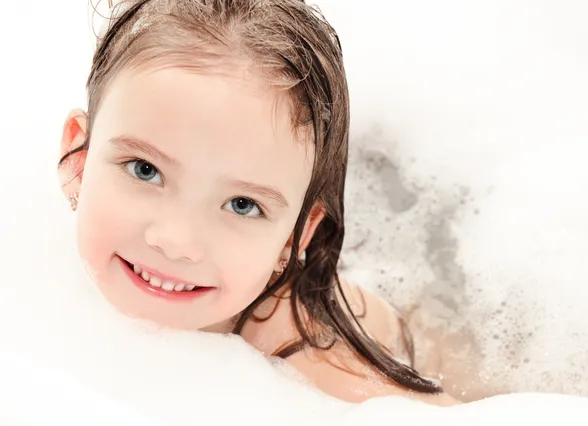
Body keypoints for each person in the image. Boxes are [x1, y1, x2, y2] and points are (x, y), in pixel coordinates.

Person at [58, 0, 460, 406]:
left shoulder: (305, 355)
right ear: (78, 159)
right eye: (144, 169)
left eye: (242, 205)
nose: (175, 240)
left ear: (295, 237)